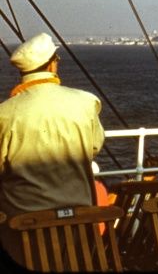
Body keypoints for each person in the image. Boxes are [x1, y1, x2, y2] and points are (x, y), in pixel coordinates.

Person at [0, 33, 105, 263]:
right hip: (78, 224)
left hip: (23, 230)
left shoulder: (4, 114)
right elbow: (94, 146)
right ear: (52, 63)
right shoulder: (86, 102)